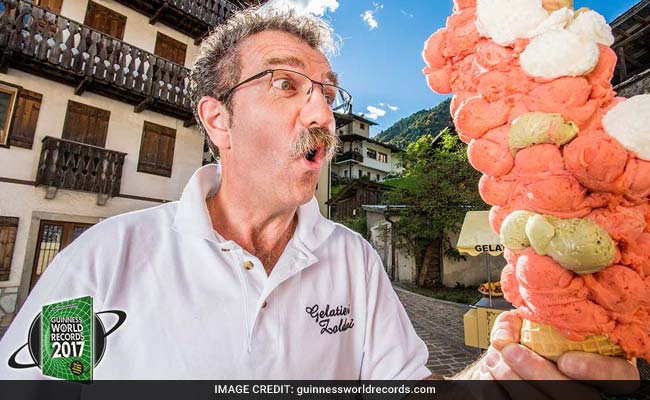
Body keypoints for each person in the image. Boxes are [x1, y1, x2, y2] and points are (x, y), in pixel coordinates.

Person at [0, 6, 640, 388]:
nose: (323, 113)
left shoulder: (353, 262)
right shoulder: (104, 260)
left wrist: (492, 379)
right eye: (286, 84)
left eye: (328, 94)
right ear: (217, 119)